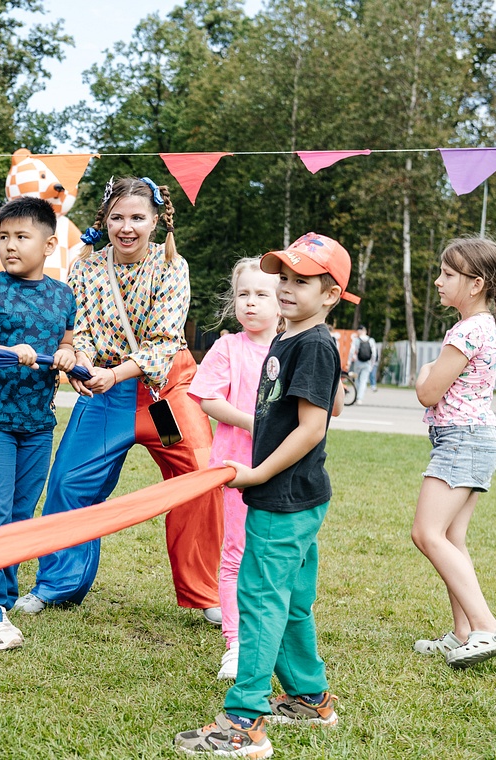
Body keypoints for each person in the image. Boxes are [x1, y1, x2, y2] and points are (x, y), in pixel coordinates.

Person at [174, 232, 354, 757]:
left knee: (257, 599)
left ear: (330, 295)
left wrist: (254, 474)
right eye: (285, 279)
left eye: (304, 281)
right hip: (297, 495)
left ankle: (244, 720)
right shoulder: (291, 338)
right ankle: (309, 698)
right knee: (294, 601)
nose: (288, 289)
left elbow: (312, 428)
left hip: (284, 495)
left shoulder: (314, 344)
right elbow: (307, 407)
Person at [13, 176, 222, 624]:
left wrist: (115, 372)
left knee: (201, 479)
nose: (127, 227)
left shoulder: (171, 264)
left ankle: (206, 593)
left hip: (165, 392)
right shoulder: (86, 266)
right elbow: (81, 328)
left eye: (137, 218)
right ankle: (56, 586)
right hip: (105, 393)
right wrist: (83, 366)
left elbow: (167, 340)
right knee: (69, 483)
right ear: (104, 220)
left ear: (155, 221)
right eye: (118, 217)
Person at [0, 197, 77, 651]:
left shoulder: (63, 295)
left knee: (21, 518)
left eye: (21, 237)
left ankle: (1, 598)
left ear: (48, 244)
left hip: (37, 423)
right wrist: (7, 350)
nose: (9, 245)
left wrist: (69, 357)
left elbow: (68, 345)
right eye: (3, 236)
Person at [410, 237, 496, 668]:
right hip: (469, 440)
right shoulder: (481, 327)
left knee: (426, 534)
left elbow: (429, 391)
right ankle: (464, 633)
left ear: (476, 284)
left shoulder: (470, 329)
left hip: (463, 441)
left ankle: (487, 627)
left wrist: (422, 373)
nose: (438, 281)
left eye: (448, 274)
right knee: (452, 537)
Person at [188, 257, 281, 681]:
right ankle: (236, 641)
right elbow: (208, 399)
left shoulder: (295, 347)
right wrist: (255, 422)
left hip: (284, 471)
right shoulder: (228, 348)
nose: (251, 303)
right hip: (236, 468)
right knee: (236, 555)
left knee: (277, 555)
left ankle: (274, 635)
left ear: (283, 301)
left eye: (262, 294)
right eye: (243, 294)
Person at [349, 324, 377, 403]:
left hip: (358, 363)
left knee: (357, 379)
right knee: (363, 381)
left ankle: (356, 395)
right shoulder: (371, 340)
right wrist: (372, 364)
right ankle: (359, 398)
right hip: (367, 363)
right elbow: (374, 354)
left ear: (359, 331)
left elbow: (352, 351)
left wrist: (349, 361)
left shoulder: (356, 340)